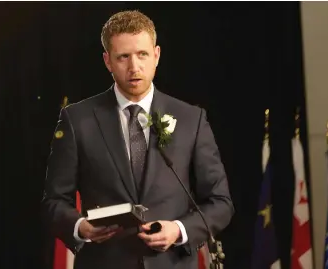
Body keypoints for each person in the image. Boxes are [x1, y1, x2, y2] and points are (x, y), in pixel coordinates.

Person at [42, 10, 234, 269]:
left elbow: (220, 202)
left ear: (156, 55)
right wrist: (80, 227)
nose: (134, 67)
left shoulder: (191, 119)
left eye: (142, 54)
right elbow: (54, 201)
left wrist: (179, 230)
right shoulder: (78, 120)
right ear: (107, 61)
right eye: (123, 57)